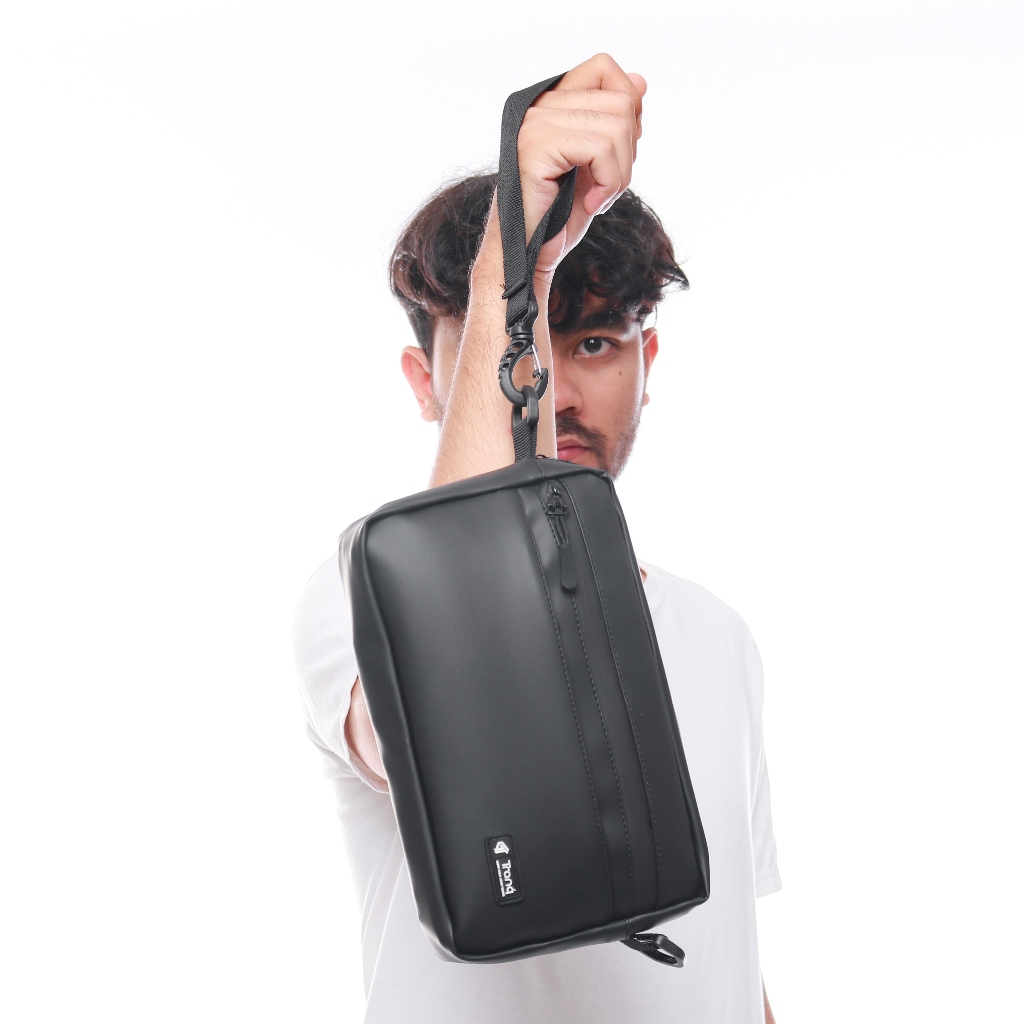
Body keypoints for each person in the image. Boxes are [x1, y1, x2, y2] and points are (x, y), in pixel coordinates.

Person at [294, 54, 781, 1023]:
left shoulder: (719, 633)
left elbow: (727, 965)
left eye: (593, 341)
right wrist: (509, 267)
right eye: (515, 340)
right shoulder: (358, 597)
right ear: (425, 382)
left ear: (647, 363)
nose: (549, 390)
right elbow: (460, 731)